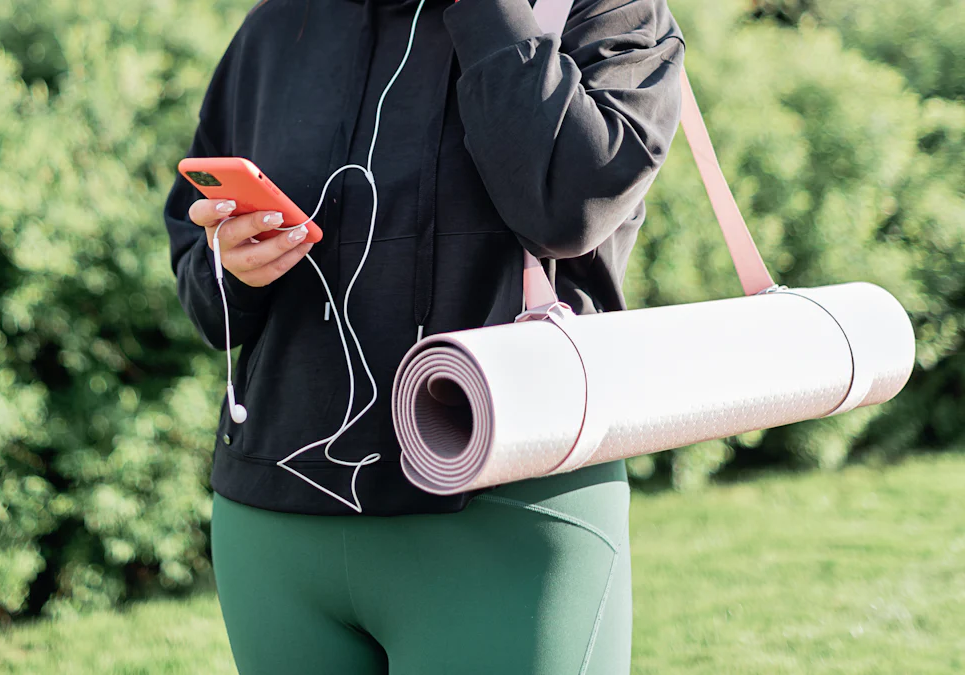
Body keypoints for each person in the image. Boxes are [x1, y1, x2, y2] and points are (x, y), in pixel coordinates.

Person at [163, 0, 684, 672]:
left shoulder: (603, 13)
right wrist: (231, 262)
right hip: (273, 529)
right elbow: (204, 287)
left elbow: (568, 206)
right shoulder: (278, 24)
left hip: (505, 518)